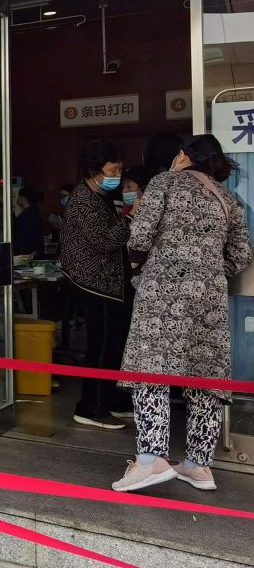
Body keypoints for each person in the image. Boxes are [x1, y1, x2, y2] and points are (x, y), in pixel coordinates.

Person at [112, 135, 252, 493]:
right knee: (204, 375)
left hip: (163, 292)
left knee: (150, 367)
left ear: (184, 156)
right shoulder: (227, 198)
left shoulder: (164, 182)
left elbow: (140, 235)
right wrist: (206, 269)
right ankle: (198, 465)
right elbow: (240, 254)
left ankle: (151, 459)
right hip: (209, 298)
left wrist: (140, 266)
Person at [59, 140, 132, 430]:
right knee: (100, 345)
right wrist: (132, 216)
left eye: (120, 169)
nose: (117, 174)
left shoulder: (101, 195)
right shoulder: (82, 201)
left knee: (114, 343)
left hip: (109, 282)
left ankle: (110, 399)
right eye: (112, 170)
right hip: (93, 283)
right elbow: (104, 241)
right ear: (94, 171)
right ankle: (90, 406)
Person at [12, 186, 45, 257]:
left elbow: (25, 237)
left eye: (19, 196)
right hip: (30, 253)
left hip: (27, 254)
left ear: (23, 198)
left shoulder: (27, 215)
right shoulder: (34, 213)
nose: (17, 199)